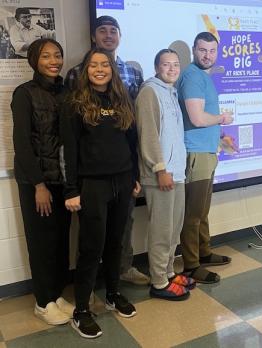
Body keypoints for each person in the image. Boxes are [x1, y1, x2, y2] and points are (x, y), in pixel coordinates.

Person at [61, 48, 139, 338]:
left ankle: (113, 294)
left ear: (112, 69)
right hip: (92, 184)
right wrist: (71, 189)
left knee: (116, 243)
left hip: (123, 179)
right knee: (91, 247)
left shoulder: (123, 100)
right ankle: (81, 310)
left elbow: (132, 141)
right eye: (93, 65)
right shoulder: (75, 103)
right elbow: (68, 150)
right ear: (86, 70)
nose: (99, 69)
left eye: (104, 64)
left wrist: (135, 177)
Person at [65, 15, 149, 285]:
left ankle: (122, 269)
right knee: (90, 232)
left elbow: (133, 126)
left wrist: (135, 170)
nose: (109, 35)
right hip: (92, 173)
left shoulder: (133, 72)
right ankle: (88, 287)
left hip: (122, 168)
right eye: (103, 31)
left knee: (123, 226)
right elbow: (72, 131)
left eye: (114, 31)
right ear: (94, 36)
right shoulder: (77, 73)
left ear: (120, 36)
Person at [11, 38, 73, 326]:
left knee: (60, 241)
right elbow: (22, 144)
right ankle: (42, 301)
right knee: (41, 242)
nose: (54, 61)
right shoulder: (24, 94)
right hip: (38, 184)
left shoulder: (66, 91)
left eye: (57, 55)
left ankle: (56, 294)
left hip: (62, 180)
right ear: (34, 60)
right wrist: (38, 185)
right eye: (46, 56)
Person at [136, 49, 195, 300]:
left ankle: (169, 272)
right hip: (161, 173)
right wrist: (160, 168)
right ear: (156, 67)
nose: (171, 69)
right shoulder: (150, 91)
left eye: (175, 65)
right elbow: (147, 133)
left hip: (177, 172)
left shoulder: (170, 92)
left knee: (174, 228)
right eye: (166, 65)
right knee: (161, 229)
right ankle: (159, 282)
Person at [177, 32, 234, 284]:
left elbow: (203, 117)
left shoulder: (204, 77)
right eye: (202, 50)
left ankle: (204, 252)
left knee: (202, 210)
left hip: (207, 151)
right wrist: (222, 118)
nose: (207, 55)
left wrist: (220, 135)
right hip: (196, 153)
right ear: (193, 49)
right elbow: (198, 119)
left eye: (212, 51)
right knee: (193, 213)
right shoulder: (191, 77)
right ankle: (190, 266)